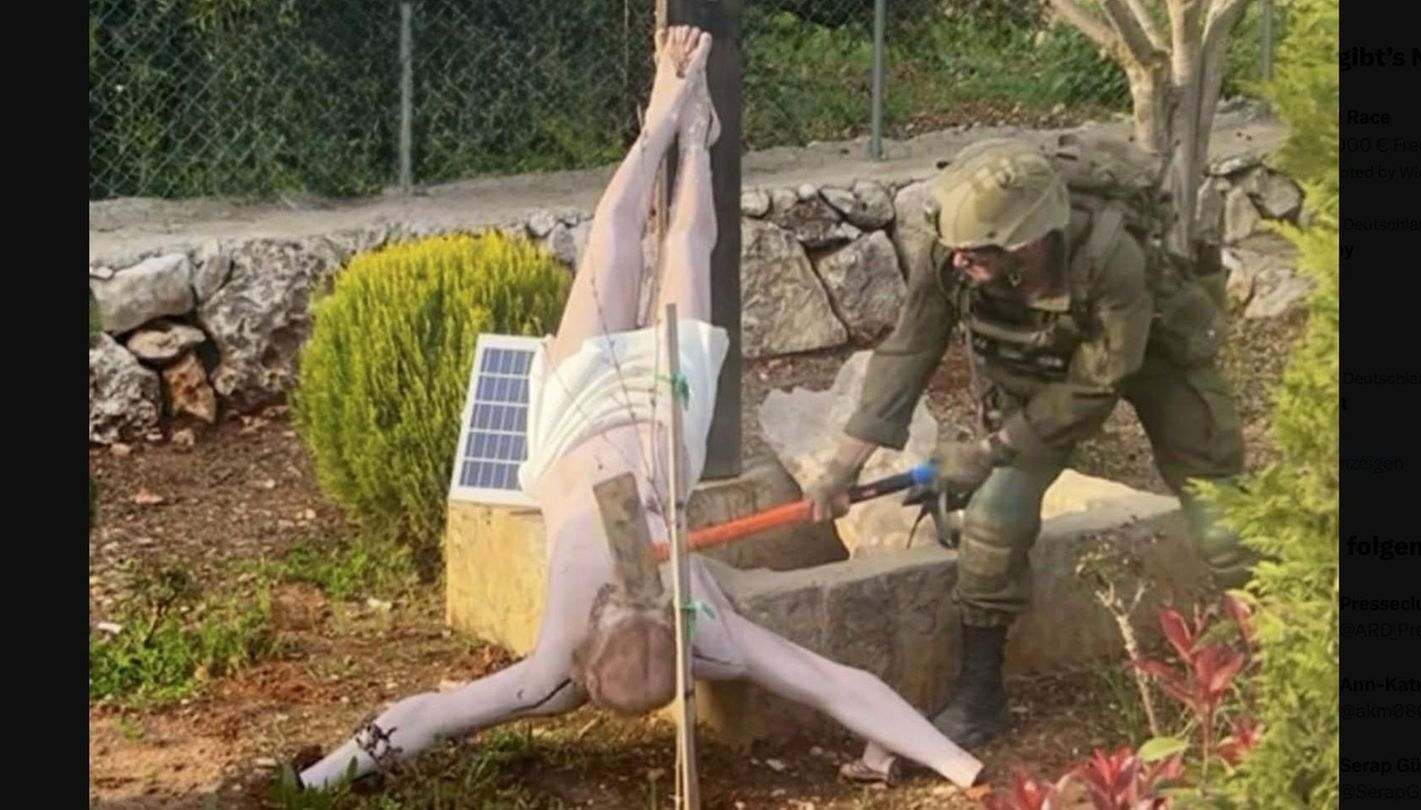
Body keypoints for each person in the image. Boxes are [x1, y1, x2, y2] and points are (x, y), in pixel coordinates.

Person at [298, 25, 985, 793]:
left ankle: (674, 127)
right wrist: (963, 769)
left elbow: (425, 714)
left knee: (617, 245)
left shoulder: (561, 670)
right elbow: (837, 685)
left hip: (574, 420)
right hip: (661, 425)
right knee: (683, 247)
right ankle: (684, 135)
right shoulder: (707, 638)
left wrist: (318, 781)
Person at [803, 137, 1256, 751]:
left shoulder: (1111, 257)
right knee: (993, 518)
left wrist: (988, 450)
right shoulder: (951, 253)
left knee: (1217, 505)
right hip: (1040, 373)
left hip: (1150, 356)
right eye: (957, 249)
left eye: (977, 251)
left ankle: (1271, 649)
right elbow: (909, 351)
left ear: (1027, 241)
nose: (960, 261)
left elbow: (1101, 379)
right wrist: (841, 466)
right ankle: (981, 695)